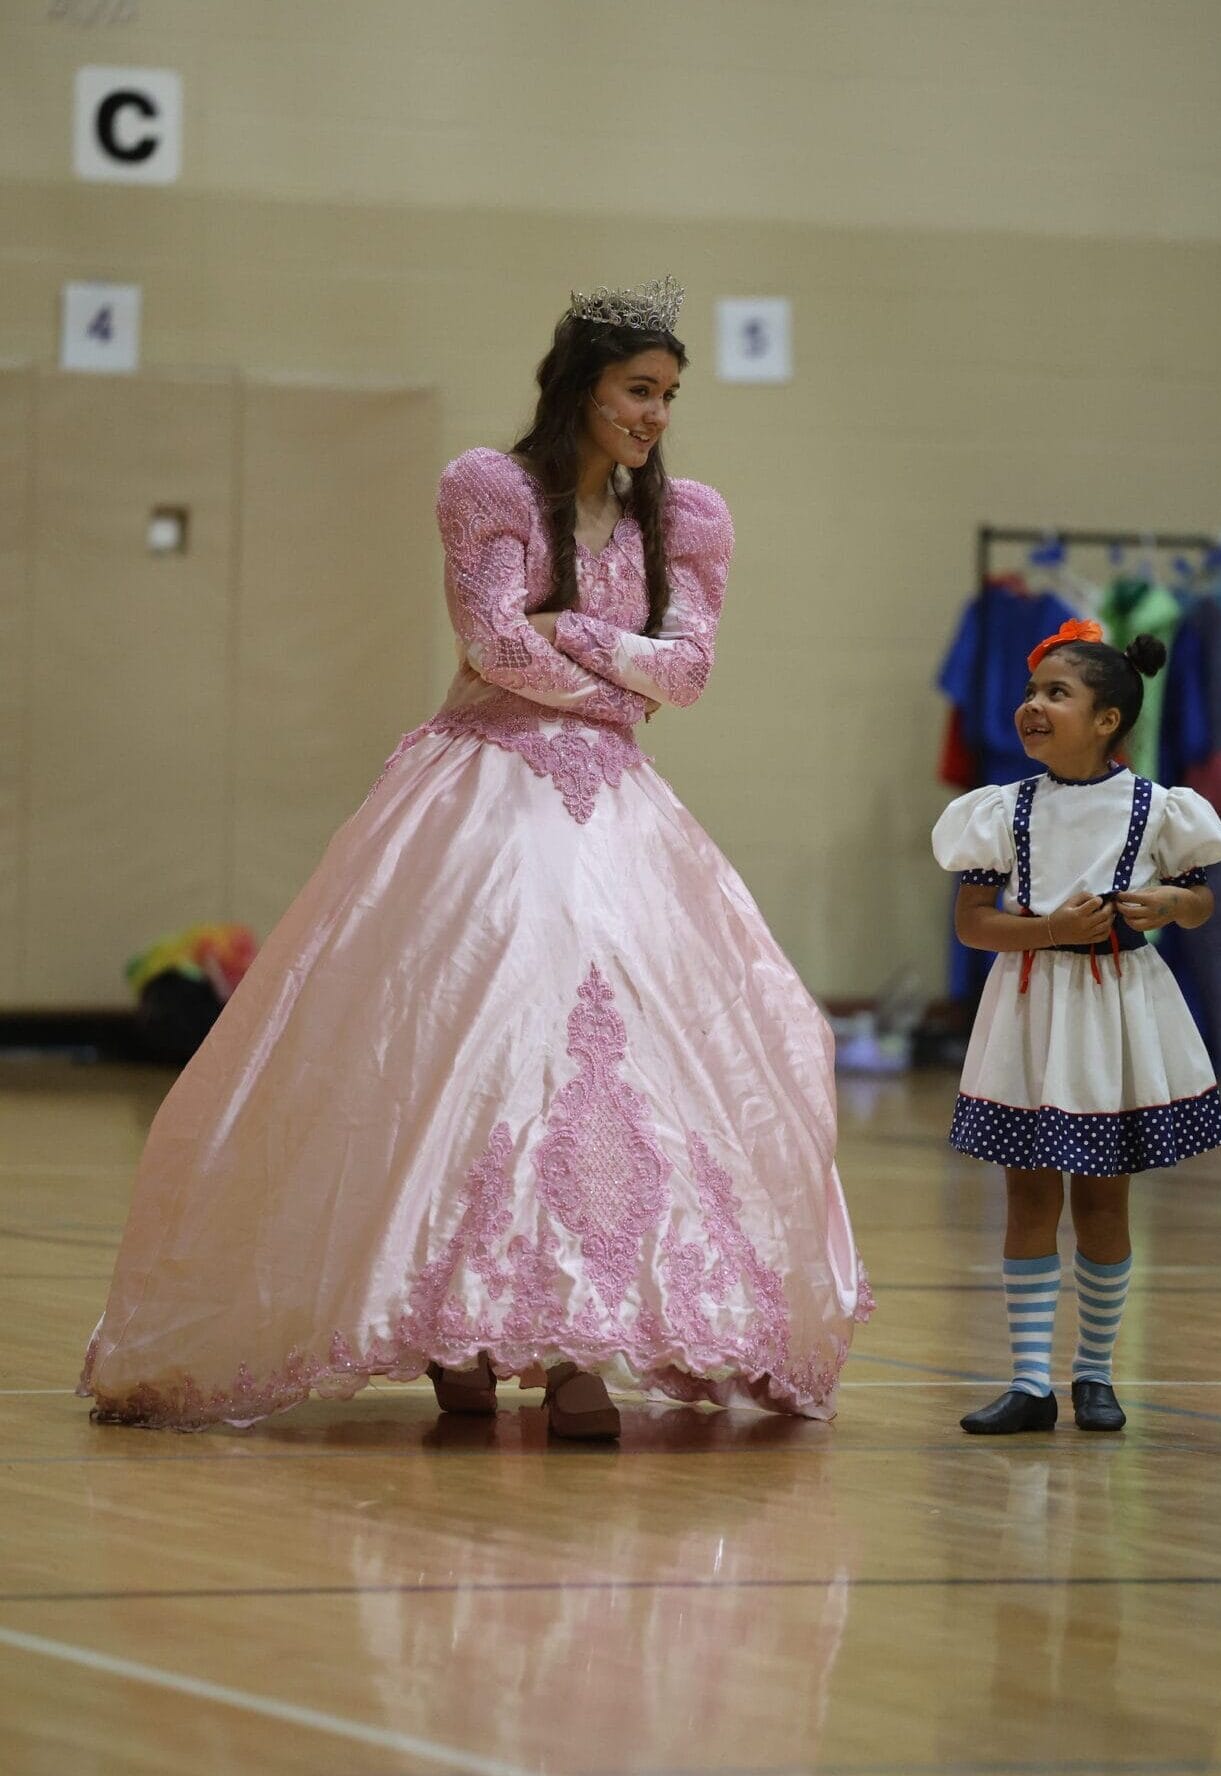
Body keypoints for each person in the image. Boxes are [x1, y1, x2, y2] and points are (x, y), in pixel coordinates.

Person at [78, 276, 871, 1440]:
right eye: (636, 392)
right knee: (475, 1045)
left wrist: (581, 634)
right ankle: (473, 1325)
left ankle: (574, 1342)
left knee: (627, 1048)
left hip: (620, 810)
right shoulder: (488, 487)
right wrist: (611, 663)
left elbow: (688, 674)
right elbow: (494, 647)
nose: (655, 417)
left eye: (667, 396)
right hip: (484, 798)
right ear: (578, 389)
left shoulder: (687, 518)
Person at [932, 618, 1221, 1434]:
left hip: (1111, 1013)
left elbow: (1199, 901)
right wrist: (1047, 932)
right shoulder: (1002, 811)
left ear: (1107, 720)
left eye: (1055, 694)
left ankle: (1094, 1376)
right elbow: (972, 924)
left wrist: (1170, 904)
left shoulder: (1158, 809)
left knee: (1102, 1203)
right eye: (1031, 692)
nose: (1032, 705)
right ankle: (1029, 1382)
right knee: (1027, 1196)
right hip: (1030, 1005)